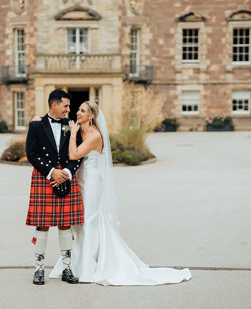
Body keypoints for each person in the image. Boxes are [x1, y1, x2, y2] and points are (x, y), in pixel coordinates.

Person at [36, 101, 192, 285]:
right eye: (78, 109)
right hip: (79, 180)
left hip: (92, 181)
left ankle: (88, 267)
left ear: (91, 116)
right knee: (78, 222)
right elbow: (55, 129)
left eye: (82, 110)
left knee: (90, 220)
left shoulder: (94, 135)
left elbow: (74, 155)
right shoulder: (78, 129)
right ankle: (74, 264)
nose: (77, 112)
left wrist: (73, 135)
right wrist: (38, 121)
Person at [25, 89, 84, 285]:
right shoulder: (36, 125)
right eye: (66, 106)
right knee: (42, 224)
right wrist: (52, 172)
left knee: (65, 223)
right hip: (45, 176)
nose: (69, 109)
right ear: (54, 105)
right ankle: (39, 269)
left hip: (65, 175)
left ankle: (67, 268)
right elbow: (32, 154)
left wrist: (66, 172)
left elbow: (78, 153)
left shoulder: (71, 125)